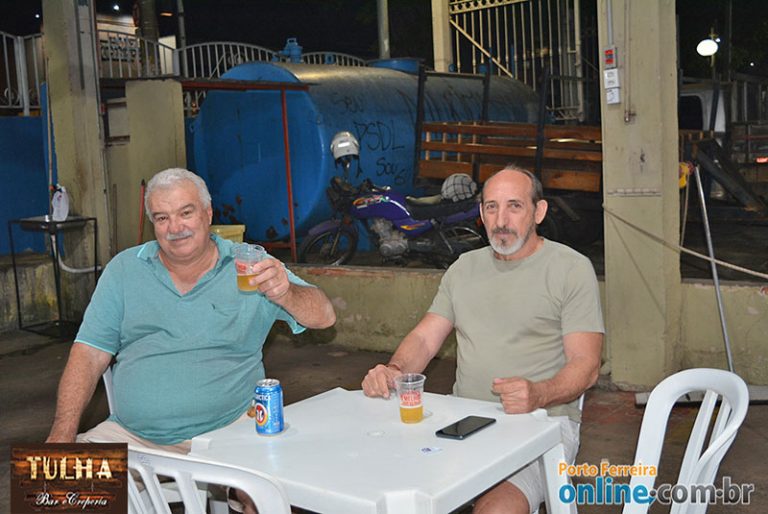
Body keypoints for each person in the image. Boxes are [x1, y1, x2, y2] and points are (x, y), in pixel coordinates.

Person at [361, 165, 604, 514]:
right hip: (462, 421)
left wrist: (539, 394)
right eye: (491, 207)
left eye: (514, 206)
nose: (501, 220)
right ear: (481, 213)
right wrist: (394, 370)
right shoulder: (463, 268)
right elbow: (425, 339)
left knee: (496, 509)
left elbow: (587, 365)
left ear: (539, 211)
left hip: (542, 425)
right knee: (381, 487)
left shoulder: (570, 269)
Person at [46, 167, 335, 450]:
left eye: (186, 213)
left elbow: (324, 316)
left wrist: (286, 293)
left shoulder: (250, 265)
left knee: (281, 476)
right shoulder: (124, 270)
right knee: (46, 475)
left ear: (208, 214)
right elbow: (89, 354)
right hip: (132, 437)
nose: (175, 228)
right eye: (162, 218)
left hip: (232, 433)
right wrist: (61, 434)